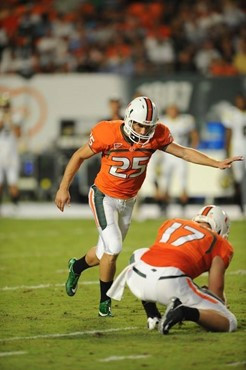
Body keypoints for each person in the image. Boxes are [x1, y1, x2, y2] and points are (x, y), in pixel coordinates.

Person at [55, 96, 242, 317]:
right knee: (113, 248)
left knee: (103, 253)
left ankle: (76, 267)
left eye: (148, 127)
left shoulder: (158, 134)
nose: (144, 131)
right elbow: (79, 156)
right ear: (129, 119)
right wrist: (63, 187)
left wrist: (215, 163)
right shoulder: (107, 132)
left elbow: (182, 152)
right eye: (140, 125)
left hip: (129, 200)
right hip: (103, 196)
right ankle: (104, 303)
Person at [107, 205, 237, 334]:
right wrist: (217, 303)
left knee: (139, 253)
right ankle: (184, 311)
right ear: (221, 229)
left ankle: (152, 316)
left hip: (136, 278)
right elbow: (216, 293)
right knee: (229, 321)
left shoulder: (172, 223)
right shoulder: (220, 243)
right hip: (170, 282)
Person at [155, 104, 199, 212]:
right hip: (167, 156)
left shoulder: (185, 120)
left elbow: (194, 135)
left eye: (175, 109)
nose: (173, 111)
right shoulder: (163, 121)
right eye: (171, 109)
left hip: (181, 156)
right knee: (165, 183)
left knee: (183, 182)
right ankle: (164, 207)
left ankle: (183, 207)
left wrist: (192, 149)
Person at [221, 93, 246, 214]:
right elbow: (229, 132)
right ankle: (240, 203)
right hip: (237, 149)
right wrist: (227, 151)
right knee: (238, 178)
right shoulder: (232, 113)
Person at [0, 92, 21, 212]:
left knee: (13, 182)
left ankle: (15, 205)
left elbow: (18, 134)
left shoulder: (15, 116)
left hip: (11, 155)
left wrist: (11, 121)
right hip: (0, 154)